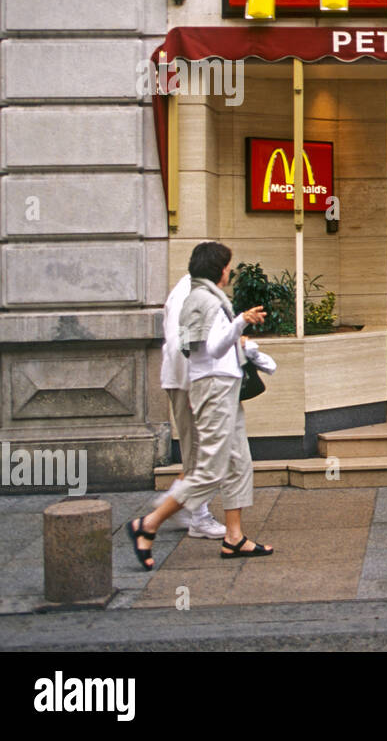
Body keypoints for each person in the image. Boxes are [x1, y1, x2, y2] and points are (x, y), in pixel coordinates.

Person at [128, 242, 275, 569]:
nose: (231, 272)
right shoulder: (193, 297)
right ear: (215, 268)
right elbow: (195, 350)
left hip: (220, 386)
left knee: (237, 460)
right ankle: (153, 521)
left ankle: (233, 536)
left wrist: (243, 345)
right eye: (227, 266)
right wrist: (239, 329)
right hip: (200, 388)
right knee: (204, 467)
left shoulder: (208, 296)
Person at [155, 273, 226, 539]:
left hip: (188, 382)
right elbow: (179, 344)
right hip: (188, 384)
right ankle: (197, 517)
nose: (228, 274)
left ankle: (176, 503)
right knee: (198, 453)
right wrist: (191, 389)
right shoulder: (190, 294)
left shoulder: (191, 291)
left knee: (199, 452)